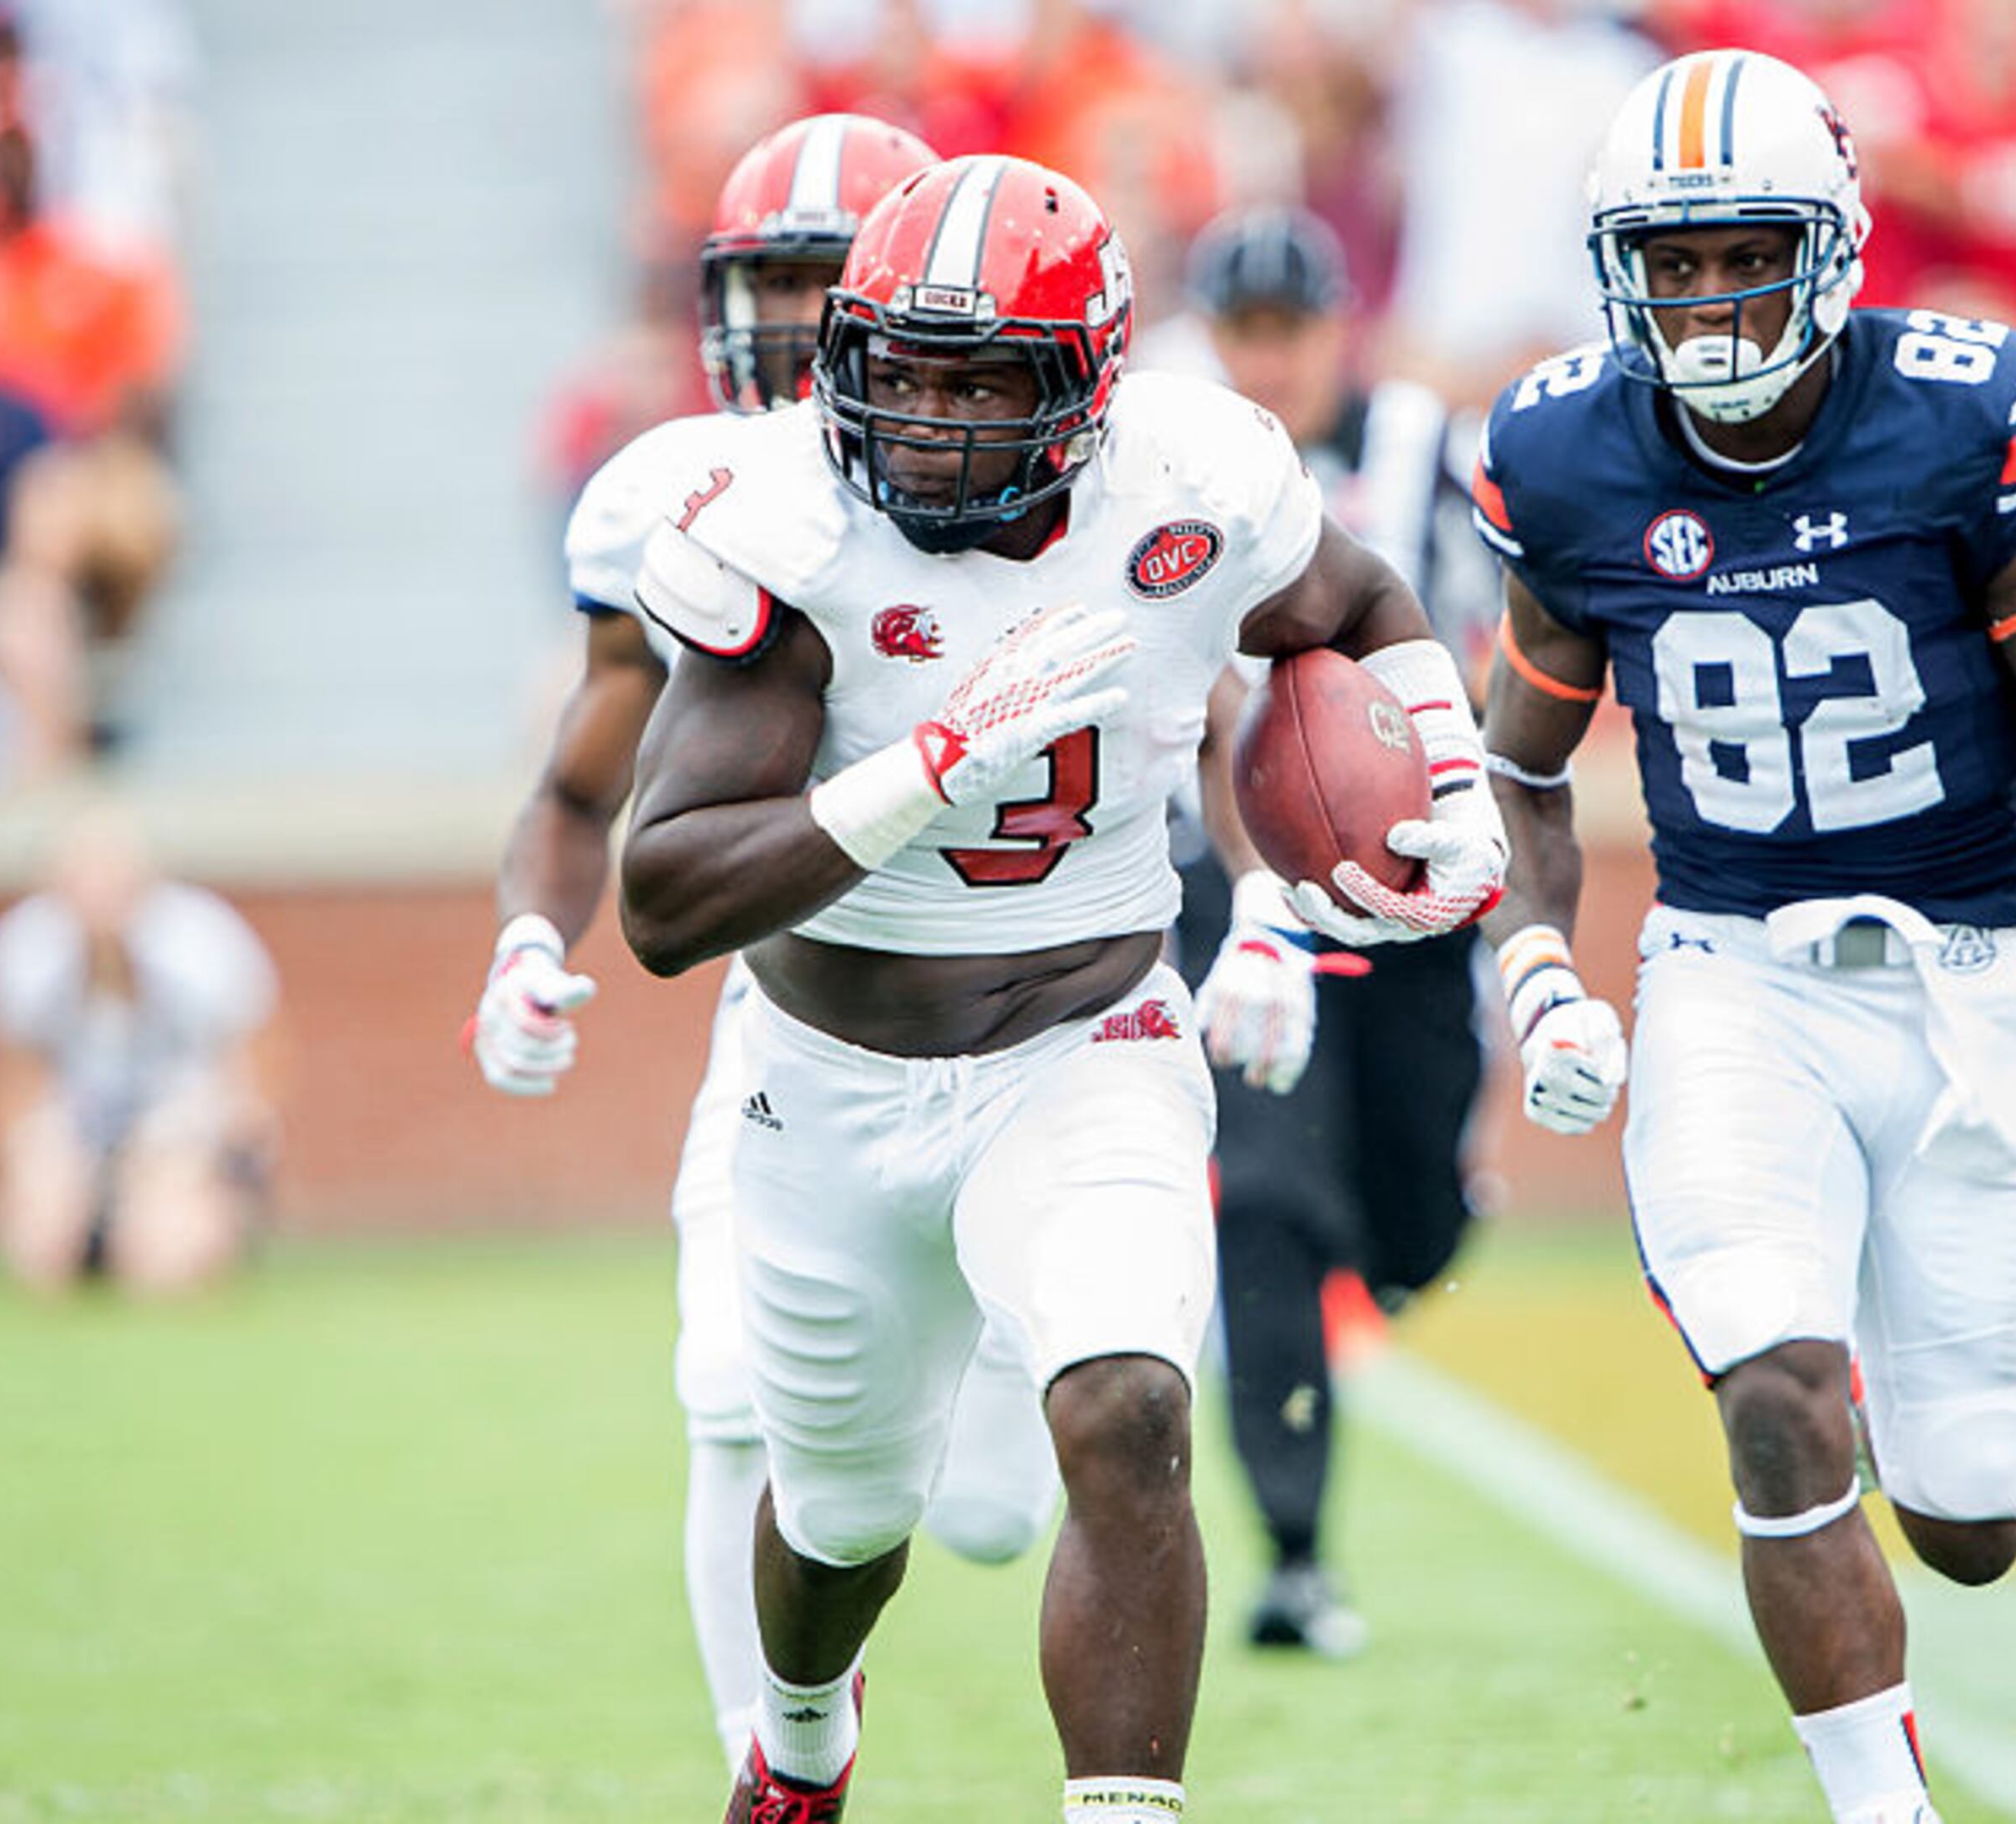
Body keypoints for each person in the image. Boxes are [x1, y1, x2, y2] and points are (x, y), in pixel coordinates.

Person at [1466, 50, 2016, 1824]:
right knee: (1780, 1396)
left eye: (1743, 253)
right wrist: (1539, 967)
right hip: (1730, 987)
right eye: (1670, 260)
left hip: (1968, 996)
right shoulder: (1567, 455)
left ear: (1837, 244)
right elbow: (1519, 765)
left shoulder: (1959, 417)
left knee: (1974, 1524)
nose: (1706, 301)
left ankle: (1872, 1351)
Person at [614, 155, 1505, 1824]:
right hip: (832, 1076)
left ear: (1090, 385)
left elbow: (1360, 603)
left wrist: (1445, 780)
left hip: (1089, 1040)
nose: (936, 419)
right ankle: (801, 1740)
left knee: (1127, 1404)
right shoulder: (790, 526)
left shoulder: (1197, 474)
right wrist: (931, 767)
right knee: (838, 1523)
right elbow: (664, 899)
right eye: (908, 372)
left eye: (987, 379)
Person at [467, 113, 1064, 1775]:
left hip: (1037, 1023)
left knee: (1005, 1517)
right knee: (727, 1391)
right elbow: (587, 776)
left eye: (828, 284)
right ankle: (779, 1766)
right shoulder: (683, 497)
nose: (795, 328)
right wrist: (527, 936)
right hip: (803, 1016)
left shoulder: (1063, 483)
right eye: (770, 285)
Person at [1168, 204, 1500, 1658]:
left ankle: (1407, 1225)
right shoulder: (1165, 454)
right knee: (1268, 1201)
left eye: (1285, 327)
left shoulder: (1432, 446)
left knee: (1409, 1224)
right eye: (1240, 329)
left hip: (1411, 881)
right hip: (1233, 889)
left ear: (1334, 327)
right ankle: (1297, 1553)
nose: (1266, 357)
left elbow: (1493, 638)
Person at [0, 801, 274, 1296]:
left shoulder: (201, 942)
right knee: (40, 1251)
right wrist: (28, 1164)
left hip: (179, 1114)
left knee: (165, 1265)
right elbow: (19, 1072)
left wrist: (232, 1156)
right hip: (76, 1114)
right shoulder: (26, 947)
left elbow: (254, 1054)